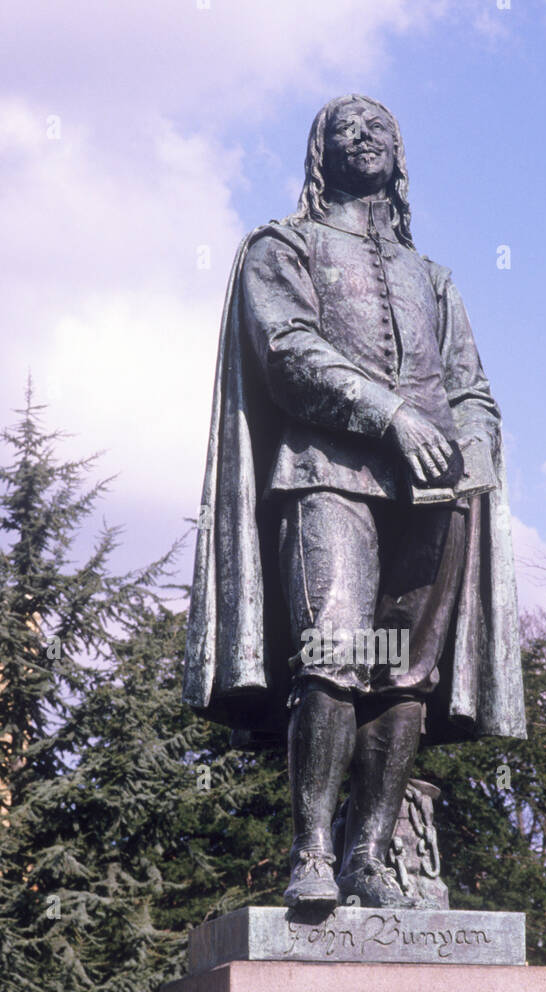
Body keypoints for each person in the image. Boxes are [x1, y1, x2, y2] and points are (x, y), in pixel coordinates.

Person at [183, 95, 526, 909]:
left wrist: (471, 449)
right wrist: (392, 415)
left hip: (435, 492)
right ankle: (310, 852)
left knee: (402, 674)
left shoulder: (430, 277)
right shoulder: (282, 247)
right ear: (320, 154)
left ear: (399, 154)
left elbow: (471, 389)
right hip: (327, 473)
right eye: (346, 127)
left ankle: (368, 855)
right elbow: (289, 353)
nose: (364, 135)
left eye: (379, 126)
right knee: (333, 653)